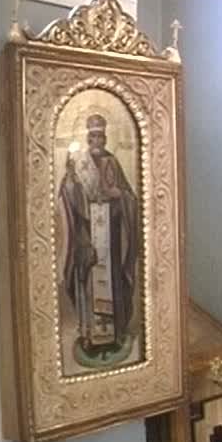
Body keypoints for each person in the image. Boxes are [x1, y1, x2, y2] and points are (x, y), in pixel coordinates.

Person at [59, 113, 139, 362]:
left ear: (105, 137)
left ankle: (115, 334)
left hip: (111, 238)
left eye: (100, 136)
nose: (96, 140)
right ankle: (90, 335)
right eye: (92, 136)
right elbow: (68, 197)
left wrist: (119, 195)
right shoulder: (79, 163)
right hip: (87, 237)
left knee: (113, 282)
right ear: (87, 138)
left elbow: (129, 197)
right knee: (89, 283)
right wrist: (70, 178)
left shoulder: (112, 161)